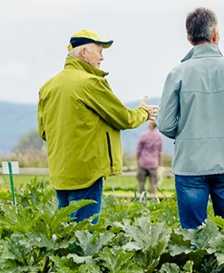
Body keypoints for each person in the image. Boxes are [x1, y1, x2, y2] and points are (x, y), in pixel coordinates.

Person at [158, 8, 224, 230]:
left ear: (189, 39)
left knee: (193, 237)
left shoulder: (177, 73)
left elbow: (166, 124)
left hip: (190, 164)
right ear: (215, 34)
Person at [38, 30, 156, 222]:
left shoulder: (48, 86)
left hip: (60, 173)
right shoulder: (91, 83)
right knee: (85, 237)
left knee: (63, 235)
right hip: (87, 172)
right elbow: (123, 118)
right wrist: (144, 112)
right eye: (99, 50)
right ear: (84, 52)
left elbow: (44, 132)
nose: (102, 57)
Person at [136, 119, 164, 200]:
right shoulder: (159, 137)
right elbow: (160, 152)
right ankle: (153, 201)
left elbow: (138, 149)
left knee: (141, 182)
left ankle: (141, 200)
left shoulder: (143, 135)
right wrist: (160, 164)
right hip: (154, 163)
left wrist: (137, 160)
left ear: (150, 125)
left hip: (143, 162)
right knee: (153, 183)